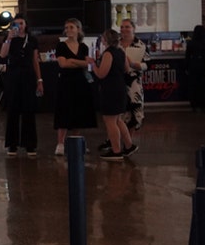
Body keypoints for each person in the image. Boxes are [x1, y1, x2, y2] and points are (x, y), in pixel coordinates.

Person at [51, 18, 96, 155]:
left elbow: (88, 64)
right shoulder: (61, 46)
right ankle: (60, 143)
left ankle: (76, 141)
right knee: (64, 111)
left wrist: (73, 61)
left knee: (78, 112)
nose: (69, 30)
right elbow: (63, 64)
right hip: (65, 82)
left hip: (80, 82)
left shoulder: (83, 47)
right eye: (67, 27)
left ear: (78, 29)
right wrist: (80, 62)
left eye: (72, 27)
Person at [0, 14, 42, 157]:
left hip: (28, 76)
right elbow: (3, 55)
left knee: (29, 109)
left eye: (21, 23)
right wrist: (9, 38)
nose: (19, 26)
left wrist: (39, 80)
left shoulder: (32, 40)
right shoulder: (9, 39)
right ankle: (12, 144)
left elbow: (35, 60)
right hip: (13, 76)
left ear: (26, 25)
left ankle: (30, 144)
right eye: (16, 24)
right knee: (13, 110)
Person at [91, 28, 136, 160]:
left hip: (110, 90)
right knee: (118, 119)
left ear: (105, 40)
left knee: (110, 120)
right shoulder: (121, 52)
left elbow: (101, 74)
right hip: (120, 88)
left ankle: (116, 151)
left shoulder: (108, 54)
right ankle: (129, 145)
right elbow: (127, 69)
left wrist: (93, 64)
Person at [119, 18, 148, 130]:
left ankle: (129, 141)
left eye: (127, 27)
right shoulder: (116, 44)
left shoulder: (141, 45)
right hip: (119, 81)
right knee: (120, 112)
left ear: (133, 29)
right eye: (122, 27)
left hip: (134, 82)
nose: (124, 29)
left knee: (134, 112)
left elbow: (147, 64)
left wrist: (134, 64)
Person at [185, 24, 205, 112]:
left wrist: (187, 68)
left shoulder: (190, 44)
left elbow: (187, 57)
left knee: (194, 87)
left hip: (194, 67)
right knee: (204, 87)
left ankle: (195, 106)